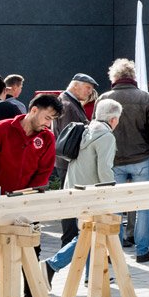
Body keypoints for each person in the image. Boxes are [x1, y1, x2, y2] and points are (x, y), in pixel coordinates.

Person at [0, 93, 61, 297]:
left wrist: (28, 196)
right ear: (34, 110)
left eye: (52, 120)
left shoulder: (47, 138)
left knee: (32, 247)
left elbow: (44, 171)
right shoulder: (0, 129)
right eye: (47, 117)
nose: (48, 123)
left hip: (27, 201)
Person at [40, 99, 121, 286]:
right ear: (114, 119)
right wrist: (112, 195)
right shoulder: (106, 136)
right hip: (91, 193)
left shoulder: (88, 129)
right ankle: (52, 265)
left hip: (73, 188)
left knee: (88, 231)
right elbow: (105, 170)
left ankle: (90, 276)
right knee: (88, 234)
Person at [98, 59, 149, 263]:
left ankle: (114, 252)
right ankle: (142, 250)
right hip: (141, 156)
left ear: (114, 77)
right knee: (143, 205)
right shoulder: (144, 97)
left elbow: (96, 129)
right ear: (133, 77)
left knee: (114, 205)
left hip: (113, 158)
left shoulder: (104, 98)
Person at [53, 74, 98, 246]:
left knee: (71, 202)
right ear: (76, 86)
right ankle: (69, 244)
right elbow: (70, 139)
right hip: (69, 162)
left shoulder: (68, 102)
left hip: (68, 162)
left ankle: (71, 243)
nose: (90, 92)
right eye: (88, 88)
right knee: (71, 203)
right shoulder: (67, 105)